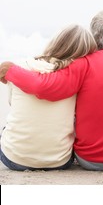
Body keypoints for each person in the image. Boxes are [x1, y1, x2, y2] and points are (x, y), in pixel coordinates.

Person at [0, 10, 103, 171]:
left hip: (89, 159)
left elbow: (44, 87)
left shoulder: (83, 64)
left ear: (93, 39)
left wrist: (10, 70)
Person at [0, 24, 97, 171]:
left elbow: (13, 104)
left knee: (8, 127)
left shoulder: (21, 66)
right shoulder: (79, 79)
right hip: (58, 161)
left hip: (14, 159)